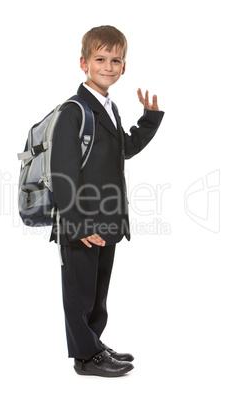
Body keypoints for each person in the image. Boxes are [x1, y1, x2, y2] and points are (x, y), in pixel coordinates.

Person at [50, 25, 164, 377]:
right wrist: (78, 223)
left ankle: (94, 346)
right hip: (80, 220)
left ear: (124, 67)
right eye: (100, 59)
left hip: (106, 219)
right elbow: (62, 173)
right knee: (80, 293)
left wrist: (148, 120)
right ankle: (85, 358)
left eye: (116, 60)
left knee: (97, 293)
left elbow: (122, 149)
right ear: (83, 63)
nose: (108, 66)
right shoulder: (74, 111)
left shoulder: (109, 107)